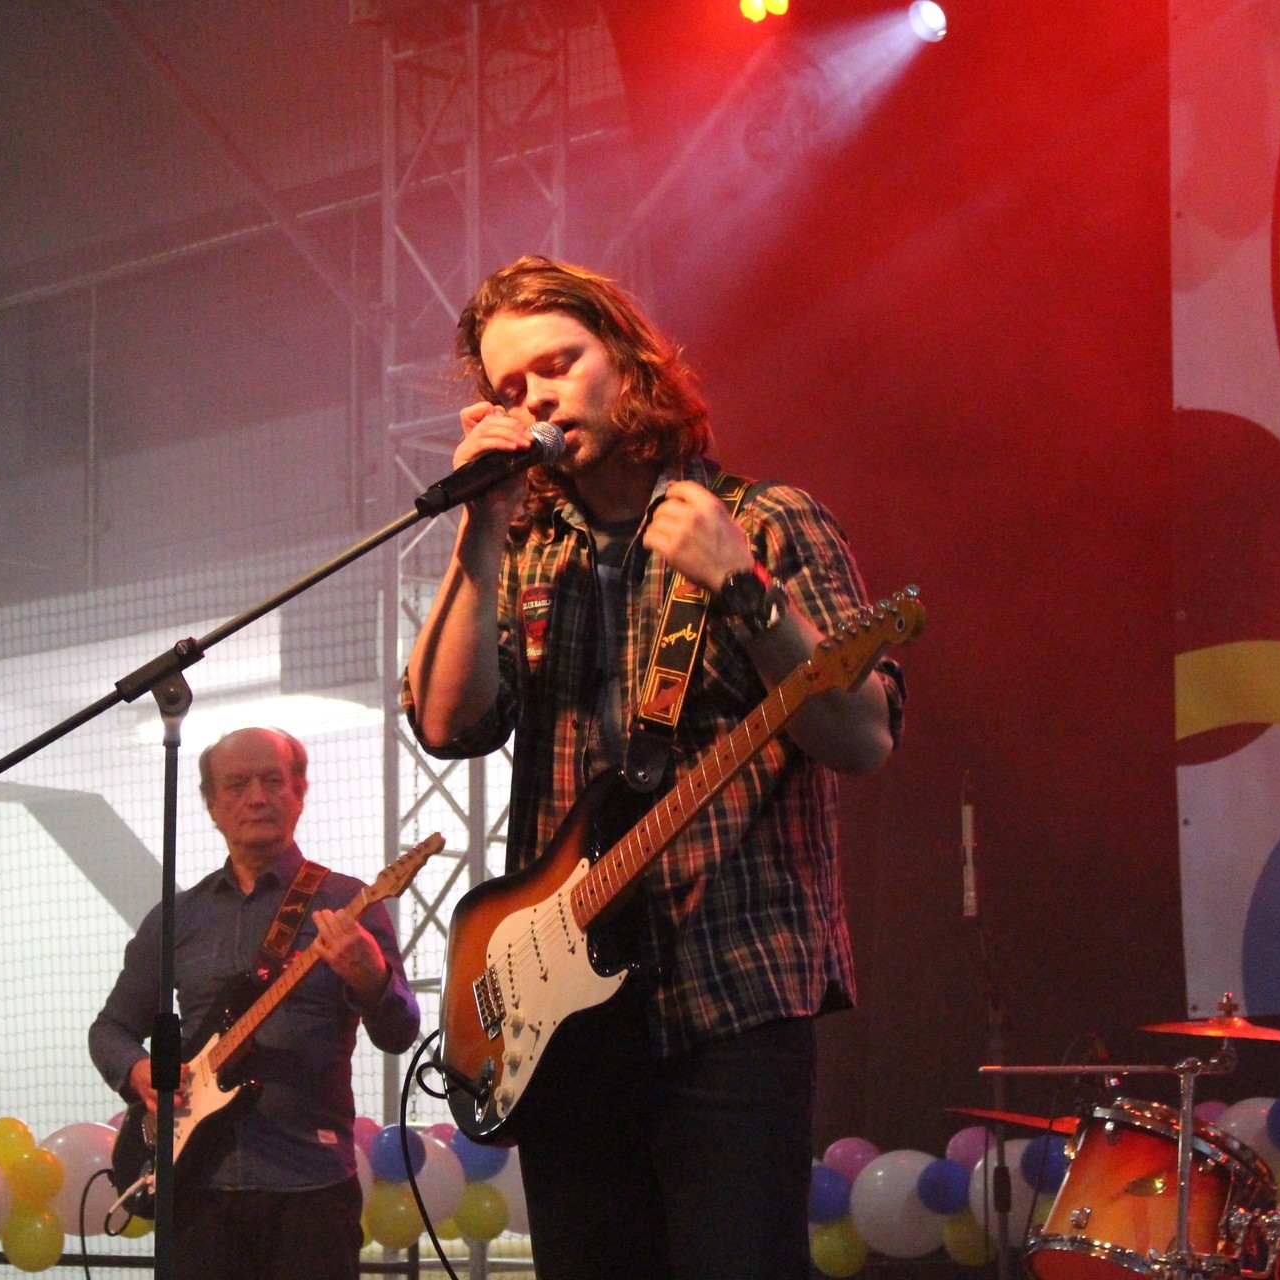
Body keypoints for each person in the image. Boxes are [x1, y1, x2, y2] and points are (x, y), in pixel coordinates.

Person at [402, 256, 905, 1280]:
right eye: (510, 388)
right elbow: (447, 724)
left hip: (728, 987)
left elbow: (862, 737)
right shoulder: (525, 551)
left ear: (628, 360)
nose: (536, 398)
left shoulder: (766, 519)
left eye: (557, 364)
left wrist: (745, 587)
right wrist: (480, 529)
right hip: (560, 1012)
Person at [89, 726, 421, 1280]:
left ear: (300, 792)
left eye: (273, 781)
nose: (257, 797)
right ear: (212, 805)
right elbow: (111, 1029)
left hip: (310, 1187)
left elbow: (400, 1031)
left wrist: (372, 977)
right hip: (195, 1191)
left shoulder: (346, 902)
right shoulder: (178, 917)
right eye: (238, 784)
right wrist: (139, 1071)